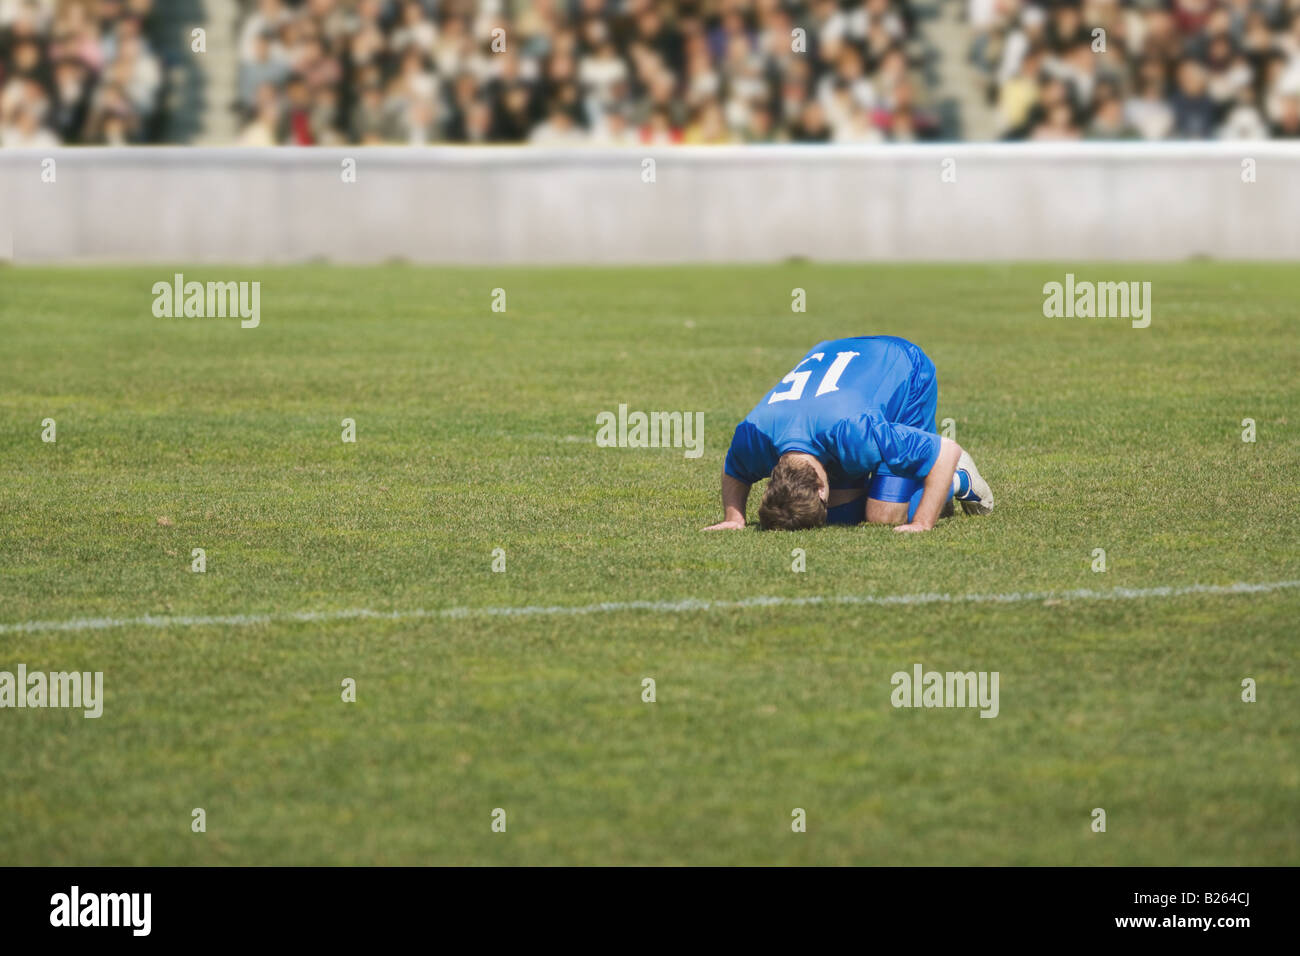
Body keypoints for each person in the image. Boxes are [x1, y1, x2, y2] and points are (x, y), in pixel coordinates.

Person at [704, 335, 992, 532]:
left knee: (882, 516)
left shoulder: (856, 432)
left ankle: (958, 479)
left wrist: (923, 523)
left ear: (820, 488)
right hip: (838, 364)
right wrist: (735, 518)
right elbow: (735, 468)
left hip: (905, 366)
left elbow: (946, 451)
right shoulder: (753, 436)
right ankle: (907, 483)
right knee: (839, 518)